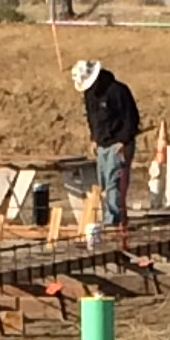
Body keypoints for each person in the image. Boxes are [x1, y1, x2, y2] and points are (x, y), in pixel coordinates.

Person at [72, 57, 137, 233]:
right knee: (102, 182)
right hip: (102, 144)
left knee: (114, 181)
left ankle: (113, 220)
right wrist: (94, 138)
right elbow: (92, 119)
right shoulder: (90, 95)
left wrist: (123, 141)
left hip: (119, 143)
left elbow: (131, 119)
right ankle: (109, 214)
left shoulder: (118, 91)